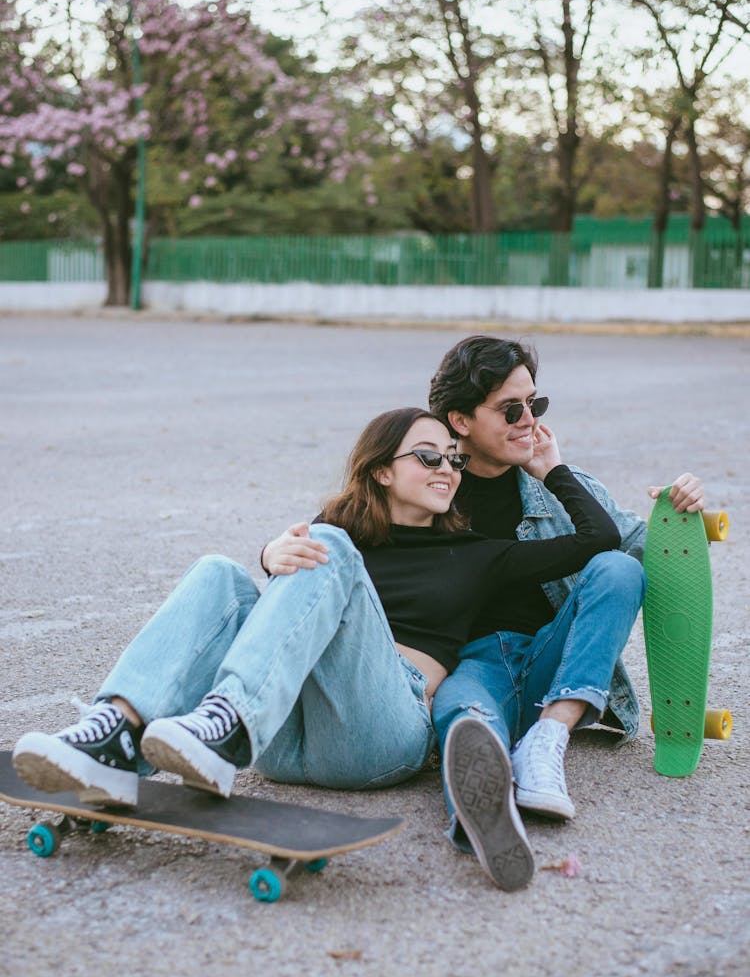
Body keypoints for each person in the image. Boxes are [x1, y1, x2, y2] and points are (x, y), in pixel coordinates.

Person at [13, 405, 622, 891]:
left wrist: (551, 468)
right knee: (218, 574)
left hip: (380, 733)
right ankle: (116, 732)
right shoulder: (338, 535)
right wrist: (266, 558)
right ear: (382, 469)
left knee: (326, 547)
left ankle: (224, 724)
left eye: (455, 460)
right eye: (429, 456)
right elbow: (283, 609)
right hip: (281, 737)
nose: (448, 469)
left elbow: (601, 539)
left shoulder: (480, 554)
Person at [425, 335, 703, 861]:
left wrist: (678, 509)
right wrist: (277, 550)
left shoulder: (559, 485)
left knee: (617, 569)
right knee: (465, 722)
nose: (528, 420)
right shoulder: (429, 486)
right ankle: (482, 815)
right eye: (511, 410)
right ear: (460, 420)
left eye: (536, 404)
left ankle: (547, 741)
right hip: (473, 663)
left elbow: (649, 551)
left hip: (556, 662)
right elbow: (357, 534)